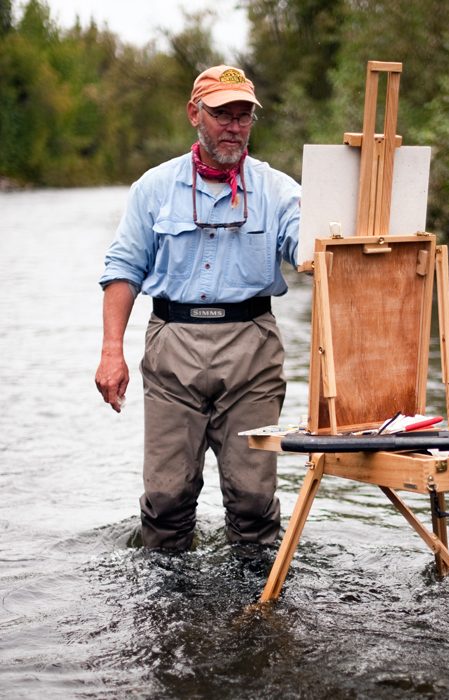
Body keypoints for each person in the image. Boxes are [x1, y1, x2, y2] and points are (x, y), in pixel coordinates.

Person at [95, 65, 300, 552]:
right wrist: (111, 351)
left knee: (253, 501)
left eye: (243, 116)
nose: (233, 125)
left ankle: (255, 606)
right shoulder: (153, 187)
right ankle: (167, 606)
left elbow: (314, 250)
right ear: (194, 114)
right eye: (221, 114)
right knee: (166, 502)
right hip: (172, 346)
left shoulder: (278, 190)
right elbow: (123, 269)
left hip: (252, 347)